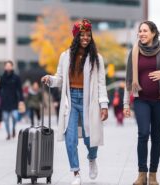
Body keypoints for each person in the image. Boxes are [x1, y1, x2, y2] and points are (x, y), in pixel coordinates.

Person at [42, 19, 109, 185]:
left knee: (89, 137)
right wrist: (50, 79)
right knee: (70, 137)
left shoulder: (97, 58)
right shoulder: (65, 56)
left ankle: (92, 158)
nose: (85, 38)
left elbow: (101, 83)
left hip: (89, 101)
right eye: (82, 35)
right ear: (76, 37)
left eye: (88, 35)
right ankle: (76, 173)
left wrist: (104, 105)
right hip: (70, 100)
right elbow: (60, 78)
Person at [123, 21, 160, 185]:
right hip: (141, 100)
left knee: (157, 137)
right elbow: (129, 80)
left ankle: (153, 175)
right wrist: (125, 104)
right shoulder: (134, 52)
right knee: (143, 134)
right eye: (140, 31)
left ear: (153, 33)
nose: (142, 34)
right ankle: (141, 174)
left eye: (145, 31)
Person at [0, 61, 23, 140]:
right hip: (5, 101)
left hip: (14, 100)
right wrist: (1, 95)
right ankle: (8, 133)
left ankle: (13, 129)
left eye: (10, 66)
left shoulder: (16, 77)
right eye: (7, 66)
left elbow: (20, 89)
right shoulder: (2, 77)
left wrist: (21, 100)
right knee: (5, 119)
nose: (8, 67)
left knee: (15, 117)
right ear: (5, 67)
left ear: (12, 67)